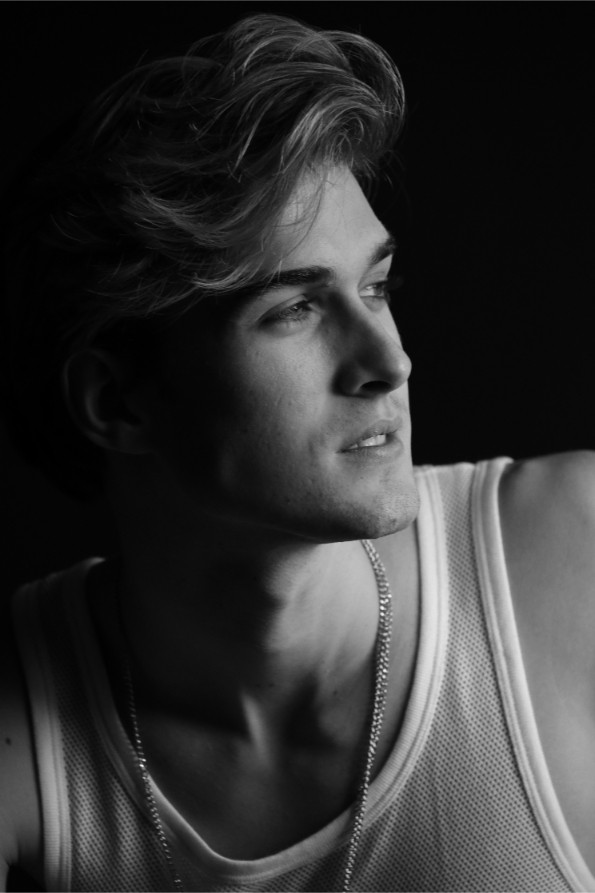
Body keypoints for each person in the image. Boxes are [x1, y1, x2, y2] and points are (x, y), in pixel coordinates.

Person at [1, 12, 594, 893]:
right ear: (117, 401)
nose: (388, 360)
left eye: (375, 287)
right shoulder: (26, 724)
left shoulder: (572, 556)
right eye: (295, 310)